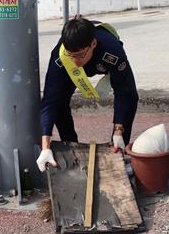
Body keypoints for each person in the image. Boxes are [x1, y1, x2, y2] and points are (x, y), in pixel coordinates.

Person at [36, 18, 138, 172]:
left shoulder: (112, 50)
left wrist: (119, 130)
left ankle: (117, 152)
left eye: (80, 55)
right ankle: (73, 151)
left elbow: (124, 92)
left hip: (101, 61)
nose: (76, 61)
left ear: (93, 44)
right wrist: (45, 147)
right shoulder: (61, 56)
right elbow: (50, 101)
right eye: (72, 56)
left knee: (130, 97)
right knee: (59, 104)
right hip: (71, 72)